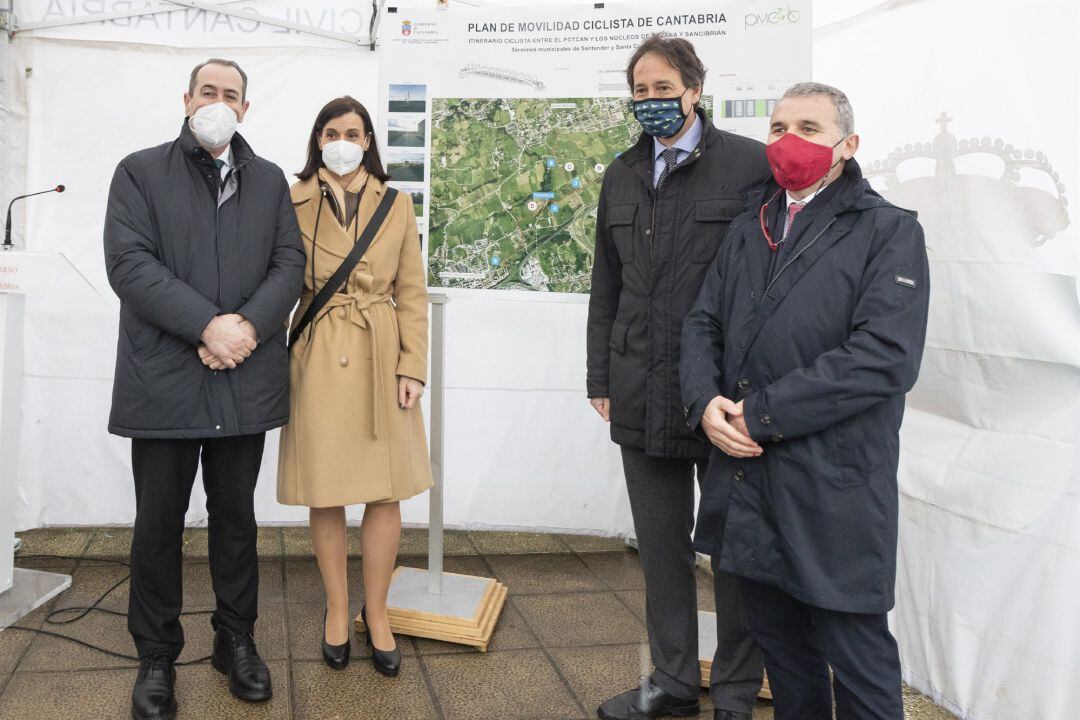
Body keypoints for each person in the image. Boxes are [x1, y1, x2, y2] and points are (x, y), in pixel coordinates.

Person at [680, 82, 931, 720]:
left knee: (858, 660)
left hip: (833, 487)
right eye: (779, 127)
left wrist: (759, 415)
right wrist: (704, 400)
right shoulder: (750, 227)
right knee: (785, 657)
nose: (790, 141)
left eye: (810, 128)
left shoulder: (889, 232)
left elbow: (882, 358)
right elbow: (702, 324)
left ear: (848, 145)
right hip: (750, 478)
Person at [103, 59, 305, 720]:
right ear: (187, 99)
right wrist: (206, 325)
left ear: (246, 107)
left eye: (231, 95)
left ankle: (235, 641)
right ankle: (156, 657)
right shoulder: (139, 171)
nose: (218, 103)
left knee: (236, 520)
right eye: (208, 91)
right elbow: (129, 262)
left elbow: (289, 262)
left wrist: (244, 326)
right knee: (157, 524)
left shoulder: (271, 180)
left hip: (243, 378)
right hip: (164, 379)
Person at [586, 34, 770, 720]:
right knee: (662, 550)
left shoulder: (750, 167)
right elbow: (606, 284)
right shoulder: (622, 172)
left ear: (694, 89)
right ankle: (670, 682)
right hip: (638, 385)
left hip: (722, 396)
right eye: (641, 90)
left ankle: (733, 689)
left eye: (664, 89)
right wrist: (598, 374)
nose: (652, 101)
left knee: (731, 553)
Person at [277, 96, 432, 677]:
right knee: (327, 487)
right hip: (318, 350)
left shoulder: (397, 203)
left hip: (380, 349)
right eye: (332, 132)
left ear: (369, 141)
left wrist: (412, 364)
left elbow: (412, 290)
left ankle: (380, 611)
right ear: (317, 139)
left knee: (384, 488)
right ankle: (338, 612)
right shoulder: (288, 201)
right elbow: (275, 281)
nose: (342, 141)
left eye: (353, 132)